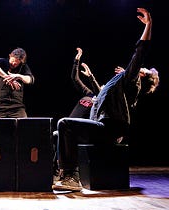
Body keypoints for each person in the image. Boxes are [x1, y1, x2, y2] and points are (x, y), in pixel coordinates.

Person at [52, 8, 160, 191]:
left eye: (139, 70)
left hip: (109, 129)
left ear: (140, 75)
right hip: (101, 126)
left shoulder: (133, 82)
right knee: (58, 134)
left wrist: (149, 25)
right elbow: (101, 92)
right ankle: (58, 173)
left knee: (65, 124)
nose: (133, 69)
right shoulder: (121, 83)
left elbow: (139, 53)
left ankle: (71, 176)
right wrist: (91, 76)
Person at [53, 47, 102, 180]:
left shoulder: (102, 100)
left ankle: (69, 173)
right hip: (68, 127)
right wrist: (76, 61)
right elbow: (75, 79)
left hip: (80, 131)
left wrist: (93, 79)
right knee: (56, 134)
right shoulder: (89, 93)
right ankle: (56, 171)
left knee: (62, 132)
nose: (102, 87)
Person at [0, 47, 35, 118]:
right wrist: (7, 77)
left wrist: (19, 76)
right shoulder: (2, 61)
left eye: (16, 63)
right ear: (10, 56)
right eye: (12, 61)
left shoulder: (23, 67)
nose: (13, 63)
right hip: (0, 105)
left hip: (17, 106)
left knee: (25, 126)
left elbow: (31, 79)